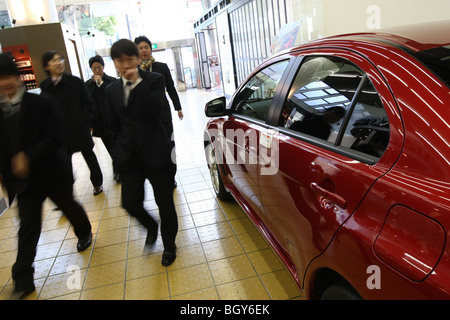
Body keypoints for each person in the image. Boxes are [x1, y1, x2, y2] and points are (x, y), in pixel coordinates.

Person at [0, 53, 92, 298]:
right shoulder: (1, 110)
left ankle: (83, 230)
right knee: (28, 227)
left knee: (68, 206)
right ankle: (23, 281)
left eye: (7, 76)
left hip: (51, 173)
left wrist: (27, 158)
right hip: (25, 182)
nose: (4, 83)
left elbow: (56, 137)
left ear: (17, 77)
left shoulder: (41, 102)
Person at [105, 39, 178, 266]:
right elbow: (112, 126)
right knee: (130, 203)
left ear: (138, 59)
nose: (125, 65)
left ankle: (169, 245)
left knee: (165, 202)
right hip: (129, 159)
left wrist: (137, 82)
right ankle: (150, 225)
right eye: (120, 61)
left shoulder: (154, 80)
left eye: (130, 59)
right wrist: (117, 154)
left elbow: (157, 109)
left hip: (157, 154)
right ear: (114, 63)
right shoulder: (111, 90)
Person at [40, 51, 104, 195]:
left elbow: (88, 103)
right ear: (46, 66)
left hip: (79, 128)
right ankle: (66, 192)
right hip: (60, 133)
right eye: (54, 61)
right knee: (63, 162)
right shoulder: (45, 86)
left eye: (60, 59)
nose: (58, 63)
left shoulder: (75, 82)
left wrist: (85, 122)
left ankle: (97, 184)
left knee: (89, 156)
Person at [134, 35, 183, 188]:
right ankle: (157, 176)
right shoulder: (133, 71)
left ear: (150, 48)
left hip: (163, 113)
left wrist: (178, 107)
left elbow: (171, 87)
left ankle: (171, 176)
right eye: (140, 48)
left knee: (170, 145)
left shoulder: (161, 67)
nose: (143, 50)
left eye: (146, 47)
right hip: (144, 117)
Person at [85, 55, 119, 181]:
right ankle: (118, 170)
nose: (97, 70)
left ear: (103, 67)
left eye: (99, 67)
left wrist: (101, 83)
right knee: (110, 148)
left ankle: (118, 170)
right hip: (99, 123)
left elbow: (114, 96)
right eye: (94, 68)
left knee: (116, 146)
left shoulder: (111, 81)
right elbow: (87, 105)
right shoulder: (88, 85)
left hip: (112, 121)